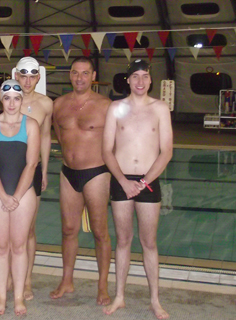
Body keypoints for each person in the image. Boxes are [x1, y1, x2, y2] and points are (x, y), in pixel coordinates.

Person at [102, 59, 172, 319]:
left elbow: (166, 152)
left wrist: (142, 183)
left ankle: (155, 299)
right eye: (136, 77)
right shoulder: (116, 108)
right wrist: (122, 181)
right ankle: (120, 296)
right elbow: (106, 149)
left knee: (149, 242)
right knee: (123, 241)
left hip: (148, 180)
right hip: (121, 181)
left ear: (150, 80)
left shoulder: (160, 109)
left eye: (145, 76)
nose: (140, 81)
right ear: (128, 81)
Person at [0, 57, 53, 300]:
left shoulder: (46, 104)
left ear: (38, 78)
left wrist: (45, 170)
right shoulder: (5, 94)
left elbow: (46, 137)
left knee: (27, 230)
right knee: (3, 233)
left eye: (32, 76)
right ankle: (4, 279)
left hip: (30, 170)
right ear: (16, 75)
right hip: (5, 170)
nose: (27, 81)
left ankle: (25, 280)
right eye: (22, 76)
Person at [51, 57, 112, 305]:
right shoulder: (58, 104)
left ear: (93, 75)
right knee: (68, 230)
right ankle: (67, 280)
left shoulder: (106, 105)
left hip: (96, 172)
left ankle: (102, 285)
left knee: (99, 232)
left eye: (85, 73)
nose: (79, 78)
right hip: (68, 172)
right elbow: (58, 133)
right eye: (75, 73)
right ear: (70, 75)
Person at [0, 80, 40, 315]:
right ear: (1, 100)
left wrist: (15, 196)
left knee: (19, 246)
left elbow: (31, 163)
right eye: (7, 98)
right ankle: (1, 298)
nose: (12, 103)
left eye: (17, 98)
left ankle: (18, 298)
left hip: (23, 193)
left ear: (22, 100)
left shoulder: (31, 125)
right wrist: (3, 196)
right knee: (0, 247)